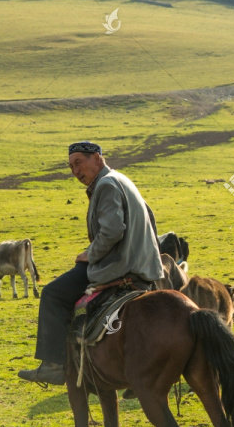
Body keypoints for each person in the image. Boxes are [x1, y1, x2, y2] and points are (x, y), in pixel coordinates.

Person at [18, 141, 164, 385]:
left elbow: (113, 230)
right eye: (71, 167)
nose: (75, 171)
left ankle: (52, 365)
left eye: (78, 163)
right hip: (144, 264)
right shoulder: (121, 179)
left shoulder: (106, 185)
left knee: (53, 294)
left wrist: (91, 253)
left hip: (121, 264)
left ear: (97, 158)